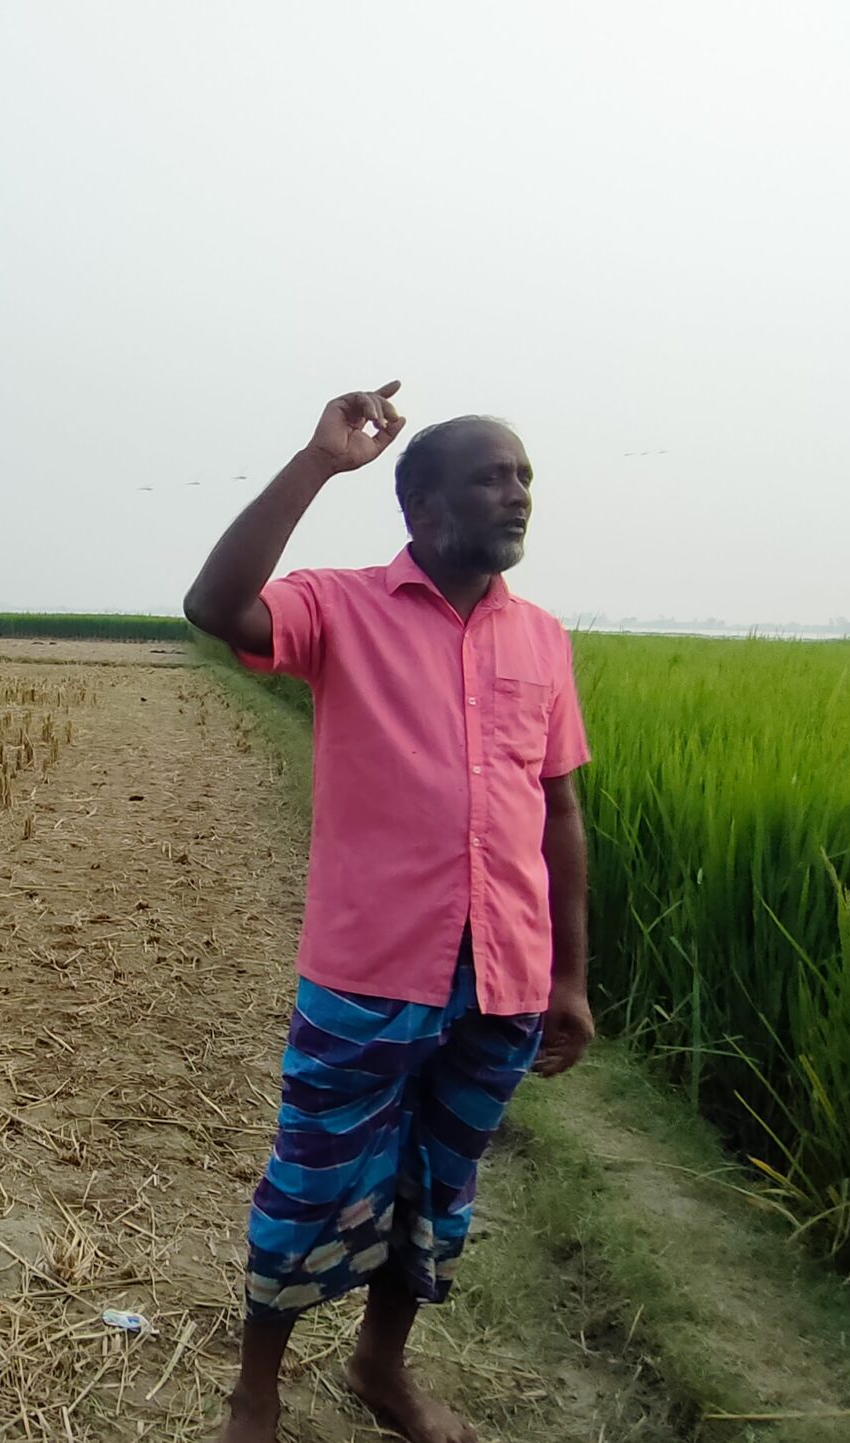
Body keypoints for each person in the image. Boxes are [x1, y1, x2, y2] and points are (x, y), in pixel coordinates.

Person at [183, 381, 593, 1443]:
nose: (517, 497)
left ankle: (380, 1367)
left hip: (501, 978)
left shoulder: (541, 639)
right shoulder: (340, 607)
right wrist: (317, 460)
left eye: (524, 479)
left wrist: (570, 978)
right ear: (421, 504)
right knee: (312, 1181)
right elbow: (216, 607)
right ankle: (255, 1390)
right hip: (370, 971)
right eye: (491, 478)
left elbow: (557, 811)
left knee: (438, 1187)